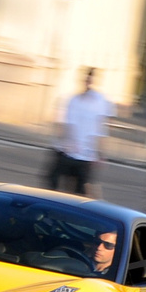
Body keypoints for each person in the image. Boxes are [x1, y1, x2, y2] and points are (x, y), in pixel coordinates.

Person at [44, 67, 115, 196]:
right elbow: (66, 124)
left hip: (86, 154)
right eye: (86, 79)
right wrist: (63, 142)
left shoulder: (101, 102)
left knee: (79, 191)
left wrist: (101, 154)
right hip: (68, 151)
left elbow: (102, 129)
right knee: (54, 181)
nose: (87, 82)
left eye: (90, 79)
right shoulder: (73, 100)